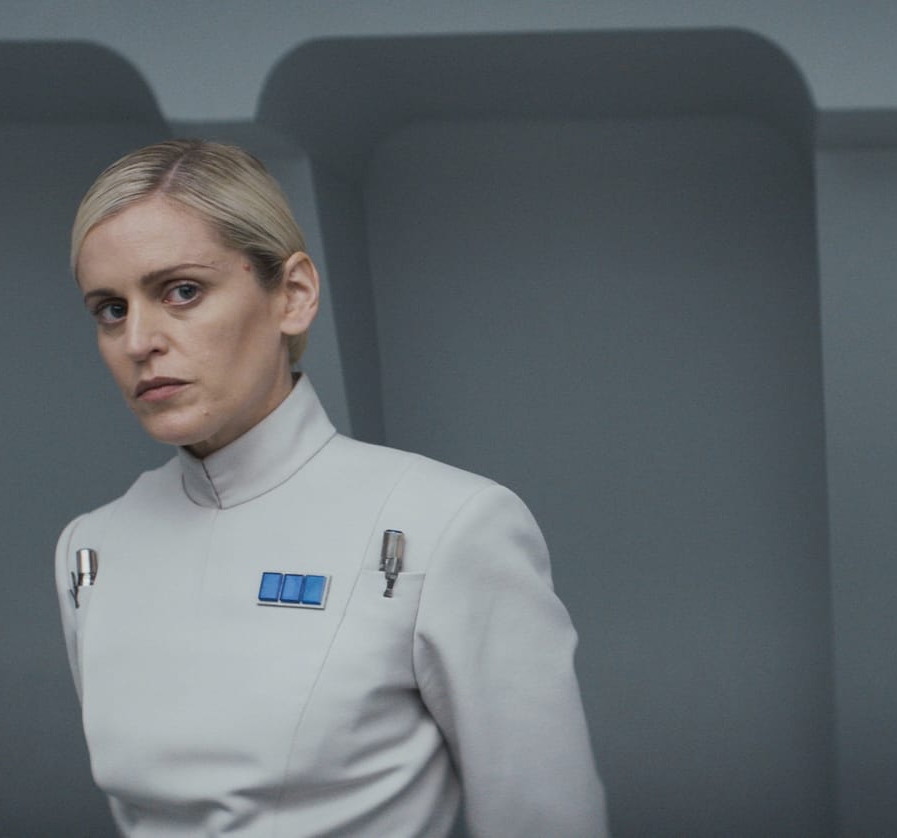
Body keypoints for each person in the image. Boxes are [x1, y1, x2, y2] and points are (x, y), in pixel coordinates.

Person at [54, 139, 608, 836]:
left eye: (182, 291)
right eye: (110, 309)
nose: (139, 341)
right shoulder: (92, 548)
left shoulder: (450, 524)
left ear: (293, 295)